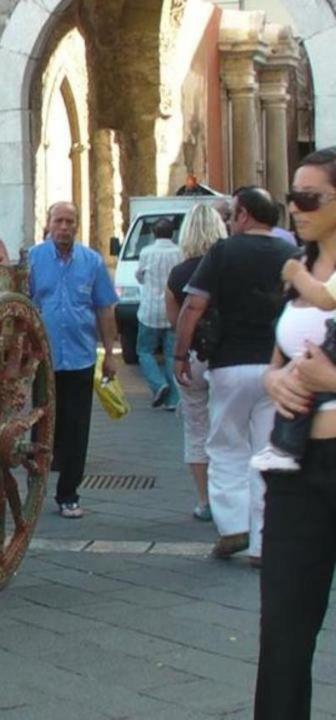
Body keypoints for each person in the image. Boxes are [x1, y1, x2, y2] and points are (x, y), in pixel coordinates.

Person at [255, 147, 336, 719]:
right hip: (297, 466)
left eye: (310, 198)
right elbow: (278, 356)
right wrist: (272, 381)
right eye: (293, 198)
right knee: (283, 630)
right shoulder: (301, 272)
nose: (296, 208)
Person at [173, 186, 295, 563]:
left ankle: (233, 527)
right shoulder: (290, 253)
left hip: (229, 363)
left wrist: (181, 354)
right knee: (266, 450)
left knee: (226, 445)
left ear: (243, 214)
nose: (229, 221)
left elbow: (194, 305)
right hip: (276, 366)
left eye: (231, 215)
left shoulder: (223, 252)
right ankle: (264, 542)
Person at [28, 201, 120, 519]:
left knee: (77, 428)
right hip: (43, 358)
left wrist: (109, 354)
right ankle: (34, 488)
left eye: (70, 221)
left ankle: (68, 494)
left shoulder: (92, 262)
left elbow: (105, 309)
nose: (64, 227)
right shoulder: (33, 259)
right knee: (41, 426)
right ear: (49, 223)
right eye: (59, 221)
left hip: (80, 358)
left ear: (77, 225)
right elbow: (22, 306)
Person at [164, 203, 227, 522]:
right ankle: (230, 496)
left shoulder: (179, 273)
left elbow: (175, 320)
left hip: (191, 357)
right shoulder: (228, 266)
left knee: (196, 427)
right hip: (226, 356)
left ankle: (204, 501)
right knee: (229, 427)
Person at [250, 243, 336, 472]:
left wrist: (328, 379)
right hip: (307, 462)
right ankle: (282, 448)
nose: (297, 210)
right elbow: (274, 367)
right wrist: (274, 380)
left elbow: (325, 298)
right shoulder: (304, 267)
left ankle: (283, 448)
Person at [135, 217, 182, 410]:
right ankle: (173, 400)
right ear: (173, 233)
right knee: (171, 355)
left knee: (144, 351)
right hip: (173, 311)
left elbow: (139, 276)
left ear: (154, 233)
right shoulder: (180, 252)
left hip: (150, 310)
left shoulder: (147, 252)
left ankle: (158, 383)